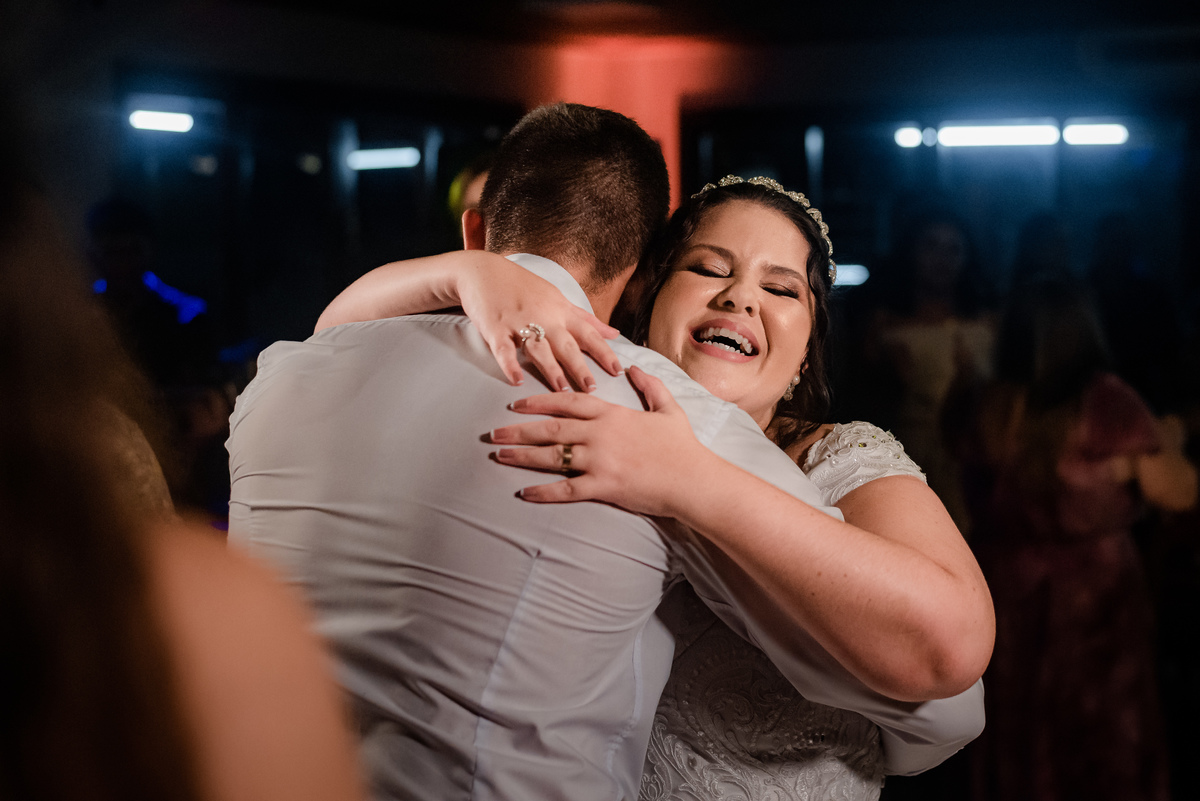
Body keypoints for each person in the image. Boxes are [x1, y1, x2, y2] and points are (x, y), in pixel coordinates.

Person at [305, 167, 994, 799]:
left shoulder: (840, 458)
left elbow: (949, 651)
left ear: (805, 357)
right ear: (646, 297)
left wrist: (685, 479)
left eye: (782, 289)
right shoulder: (584, 400)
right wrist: (462, 271)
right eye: (708, 268)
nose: (739, 297)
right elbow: (330, 343)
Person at [0, 91, 364, 801]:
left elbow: (208, 391)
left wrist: (202, 423)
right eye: (109, 248)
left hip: (168, 471)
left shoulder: (182, 313)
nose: (120, 259)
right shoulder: (85, 316)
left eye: (130, 248)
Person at [955, 276, 1194, 801]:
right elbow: (1176, 492)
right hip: (1095, 600)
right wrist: (1171, 441)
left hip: (1004, 593)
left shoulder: (989, 406)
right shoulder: (1106, 402)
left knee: (1018, 727)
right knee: (1098, 734)